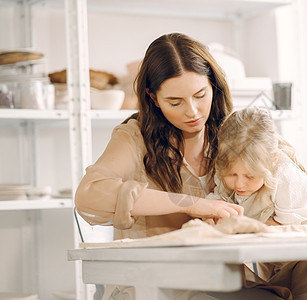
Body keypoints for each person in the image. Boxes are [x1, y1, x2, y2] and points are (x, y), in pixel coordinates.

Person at [75, 33, 288, 300]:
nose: (193, 112)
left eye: (200, 95)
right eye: (175, 102)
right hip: (151, 284)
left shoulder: (230, 133)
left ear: (214, 86)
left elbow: (283, 166)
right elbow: (89, 194)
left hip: (220, 279)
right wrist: (191, 204)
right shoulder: (134, 137)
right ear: (153, 98)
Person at [209, 107, 307, 300]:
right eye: (232, 174)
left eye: (250, 176)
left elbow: (285, 228)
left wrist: (239, 226)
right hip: (275, 257)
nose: (239, 183)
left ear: (273, 161)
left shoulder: (286, 176)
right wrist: (214, 212)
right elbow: (217, 204)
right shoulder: (226, 175)